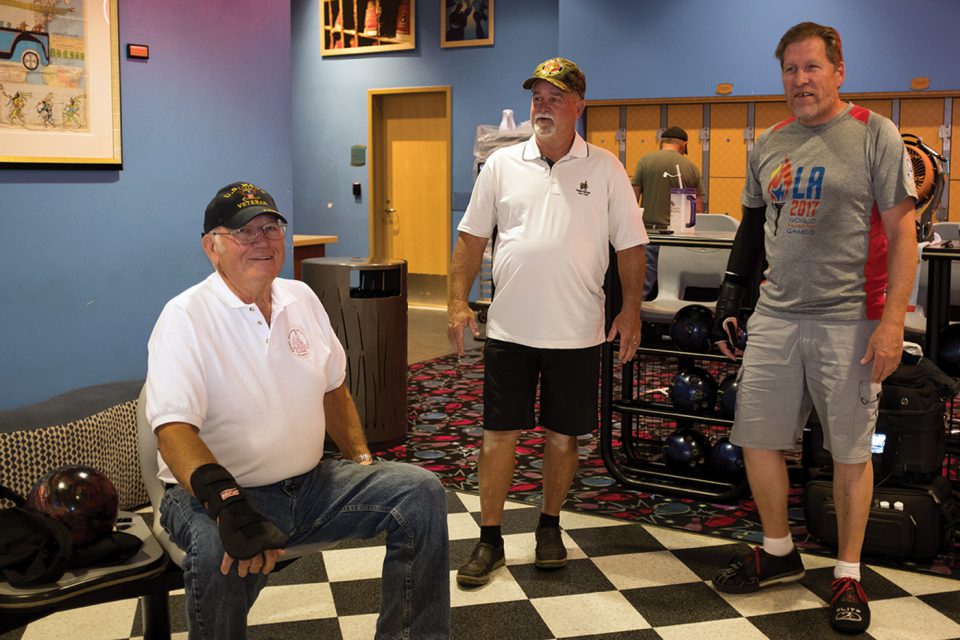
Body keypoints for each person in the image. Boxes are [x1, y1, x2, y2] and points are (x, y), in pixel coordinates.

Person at [145, 182, 450, 639]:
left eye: (271, 228)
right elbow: (173, 430)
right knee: (216, 556)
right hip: (218, 498)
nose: (262, 241)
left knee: (420, 492)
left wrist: (362, 463)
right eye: (244, 232)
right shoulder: (185, 317)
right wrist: (231, 509)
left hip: (312, 485)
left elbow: (333, 389)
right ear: (212, 246)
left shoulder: (301, 298)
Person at [709, 22, 917, 635]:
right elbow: (752, 227)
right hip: (776, 314)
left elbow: (905, 238)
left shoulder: (874, 135)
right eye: (790, 70)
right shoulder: (770, 142)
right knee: (757, 437)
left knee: (850, 451)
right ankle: (778, 553)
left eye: (811, 68)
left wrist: (890, 324)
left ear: (838, 70)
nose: (800, 80)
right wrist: (733, 294)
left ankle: (847, 573)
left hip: (850, 317)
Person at [447, 57, 647, 587]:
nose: (543, 106)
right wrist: (456, 301)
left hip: (578, 332)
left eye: (555, 97)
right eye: (538, 97)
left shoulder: (605, 168)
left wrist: (630, 310)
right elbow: (470, 238)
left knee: (563, 438)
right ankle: (489, 539)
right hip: (510, 330)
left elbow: (631, 245)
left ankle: (549, 526)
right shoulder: (502, 166)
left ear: (579, 105)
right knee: (498, 435)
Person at [631, 126, 704, 299]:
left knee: (641, 292)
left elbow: (631, 202)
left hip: (649, 234)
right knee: (674, 289)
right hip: (678, 238)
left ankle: (637, 322)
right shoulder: (691, 167)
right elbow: (698, 209)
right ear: (684, 145)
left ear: (661, 142)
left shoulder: (645, 161)